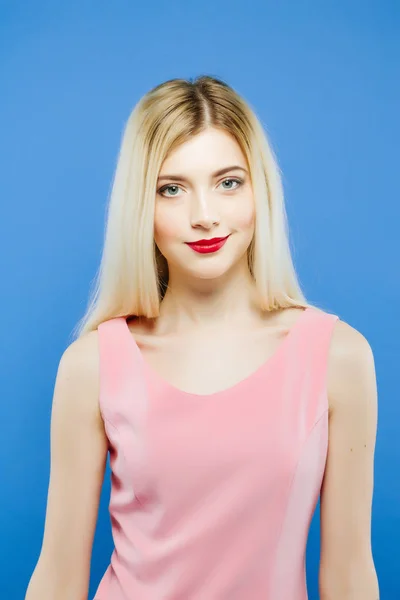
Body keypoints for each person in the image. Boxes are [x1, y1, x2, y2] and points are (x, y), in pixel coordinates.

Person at [25, 75, 379, 599]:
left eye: (228, 182)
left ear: (260, 190)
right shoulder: (93, 365)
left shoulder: (338, 357)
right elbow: (57, 577)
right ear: (141, 208)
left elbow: (350, 575)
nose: (204, 215)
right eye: (172, 189)